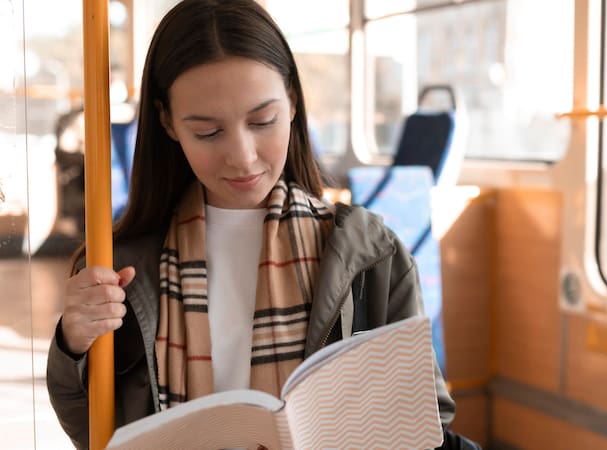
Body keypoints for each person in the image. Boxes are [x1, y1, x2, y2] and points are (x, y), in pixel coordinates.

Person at [46, 1, 478, 449]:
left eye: (262, 121)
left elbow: (424, 421)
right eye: (208, 132)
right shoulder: (123, 269)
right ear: (168, 123)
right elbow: (91, 430)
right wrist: (73, 343)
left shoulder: (372, 255)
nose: (243, 156)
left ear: (291, 101)